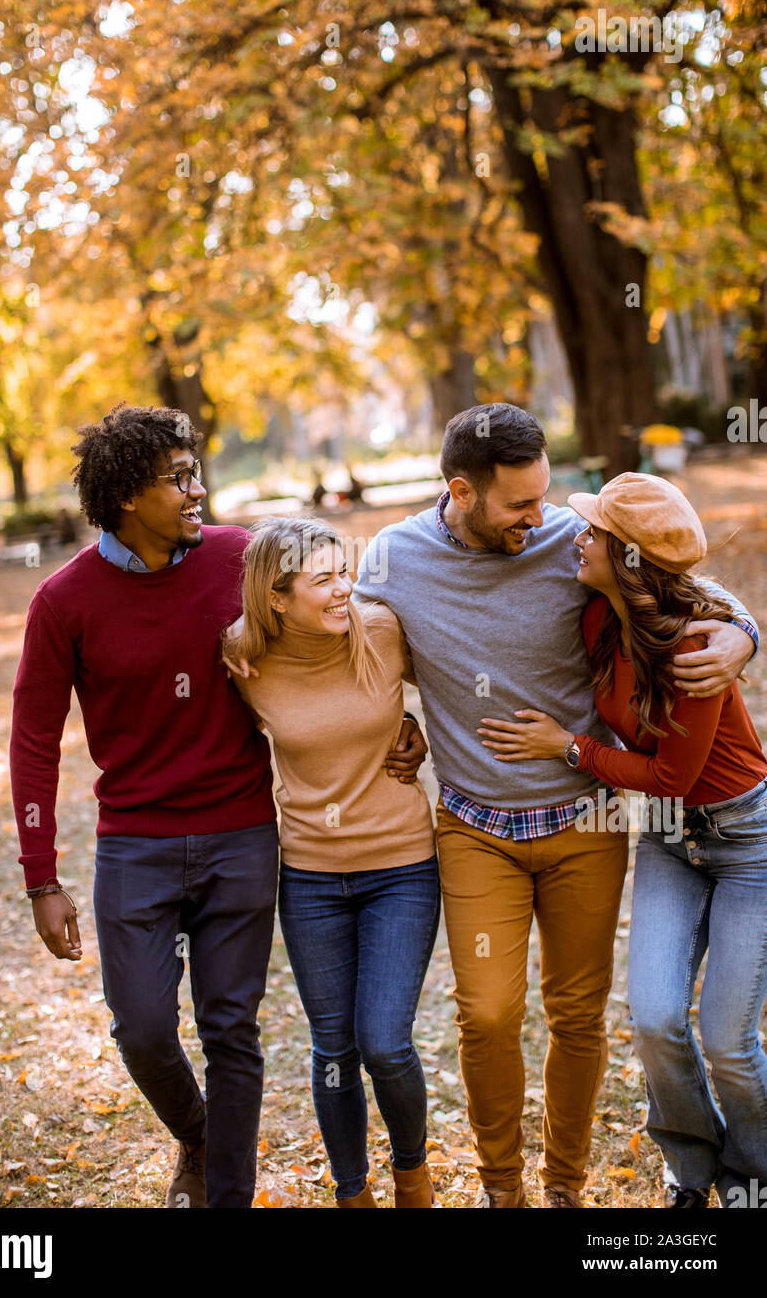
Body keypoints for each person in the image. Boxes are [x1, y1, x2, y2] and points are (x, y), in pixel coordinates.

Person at [8, 402, 430, 1209]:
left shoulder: (241, 561)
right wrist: (41, 877)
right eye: (181, 478)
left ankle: (226, 1194)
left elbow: (336, 637)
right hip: (134, 841)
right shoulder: (64, 602)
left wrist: (402, 722)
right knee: (139, 1026)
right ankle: (199, 1136)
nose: (199, 489)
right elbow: (33, 740)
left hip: (243, 834)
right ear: (130, 495)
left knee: (231, 1028)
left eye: (195, 471)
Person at [352, 403, 758, 1208]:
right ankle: (504, 1189)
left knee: (579, 1018)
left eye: (544, 499)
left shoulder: (571, 549)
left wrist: (744, 630)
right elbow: (360, 649)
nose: (539, 520)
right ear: (460, 491)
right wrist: (402, 722)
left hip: (587, 823)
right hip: (477, 826)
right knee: (489, 1016)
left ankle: (565, 1188)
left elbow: (682, 587)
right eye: (518, 505)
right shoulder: (395, 558)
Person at [478, 472, 767, 1209]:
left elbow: (670, 775)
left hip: (746, 843)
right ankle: (693, 1169)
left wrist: (567, 748)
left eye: (594, 534)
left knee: (729, 1042)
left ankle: (755, 1170)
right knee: (656, 1019)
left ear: (629, 559)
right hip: (671, 843)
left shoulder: (698, 647)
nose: (577, 540)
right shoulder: (599, 612)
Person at [224, 517, 440, 1208]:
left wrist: (421, 734)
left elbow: (460, 687)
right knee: (333, 1049)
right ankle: (353, 1192)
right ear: (277, 599)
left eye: (343, 571)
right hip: (311, 877)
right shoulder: (245, 657)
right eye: (323, 581)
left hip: (401, 865)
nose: (345, 588)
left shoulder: (379, 629)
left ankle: (412, 1169)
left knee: (383, 1041)